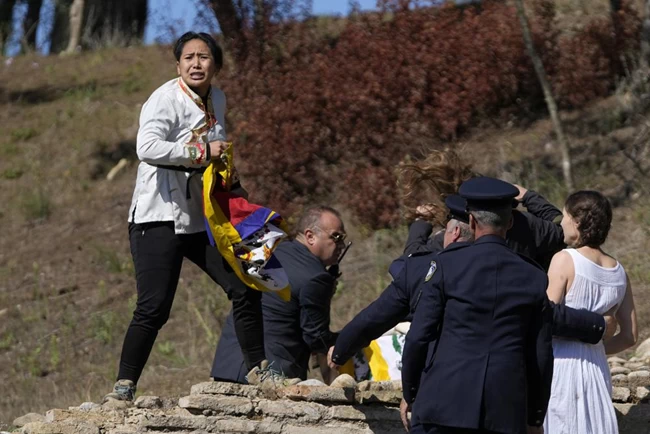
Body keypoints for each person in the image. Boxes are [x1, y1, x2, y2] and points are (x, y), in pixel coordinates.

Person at [104, 32, 268, 402]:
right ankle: (124, 387)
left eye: (204, 57)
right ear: (178, 65)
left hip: (200, 218)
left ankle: (260, 371)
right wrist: (200, 151)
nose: (197, 63)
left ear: (216, 64)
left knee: (245, 284)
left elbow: (218, 149)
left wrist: (233, 186)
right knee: (154, 307)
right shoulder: (164, 98)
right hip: (156, 217)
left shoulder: (218, 98)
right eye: (189, 57)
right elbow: (146, 147)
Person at [329, 195, 613, 373]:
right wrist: (596, 324)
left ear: (455, 231)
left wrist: (341, 349)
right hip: (502, 396)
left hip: (441, 391)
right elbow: (551, 316)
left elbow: (376, 318)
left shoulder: (425, 270)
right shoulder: (525, 273)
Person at [401, 177, 553, 434]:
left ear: (470, 221)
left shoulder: (446, 265)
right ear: (511, 222)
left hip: (443, 403)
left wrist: (412, 391)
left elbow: (419, 336)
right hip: (504, 410)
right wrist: (535, 415)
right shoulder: (533, 275)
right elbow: (541, 353)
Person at [211, 206, 346, 383]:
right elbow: (317, 338)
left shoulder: (272, 252)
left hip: (229, 366)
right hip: (271, 375)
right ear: (310, 236)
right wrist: (352, 338)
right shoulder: (317, 277)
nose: (341, 245)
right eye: (336, 237)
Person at [544, 191, 637, 434]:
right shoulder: (619, 271)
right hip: (597, 365)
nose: (561, 222)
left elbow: (545, 319)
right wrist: (594, 348)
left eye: (564, 215)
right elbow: (630, 336)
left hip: (562, 363)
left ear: (577, 221)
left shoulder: (564, 259)